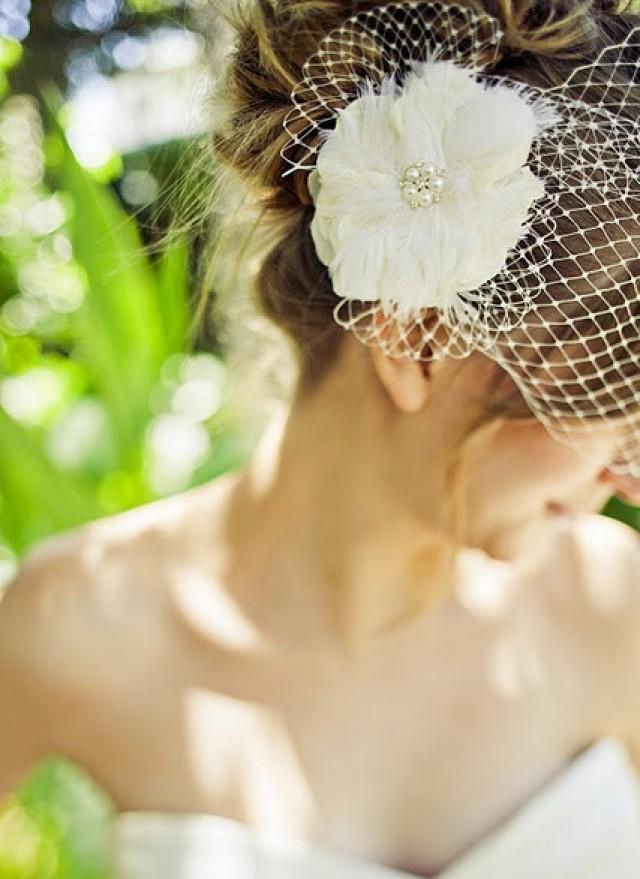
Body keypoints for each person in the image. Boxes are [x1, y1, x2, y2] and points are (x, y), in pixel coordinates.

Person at [2, 0, 640, 876]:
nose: (633, 479)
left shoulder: (621, 614)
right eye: (620, 402)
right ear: (416, 337)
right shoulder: (83, 618)